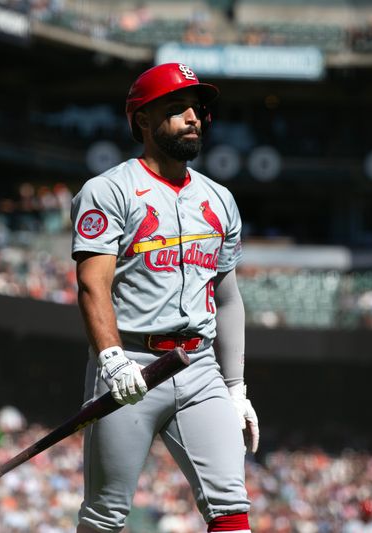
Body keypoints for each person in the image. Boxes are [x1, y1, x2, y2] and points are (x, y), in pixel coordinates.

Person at [71, 63, 259, 533]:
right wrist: (112, 359)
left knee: (232, 509)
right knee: (105, 516)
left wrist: (235, 386)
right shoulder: (107, 190)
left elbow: (229, 297)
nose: (193, 117)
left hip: (199, 367)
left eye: (198, 109)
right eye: (176, 109)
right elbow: (92, 285)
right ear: (143, 121)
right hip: (130, 361)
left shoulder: (220, 199)